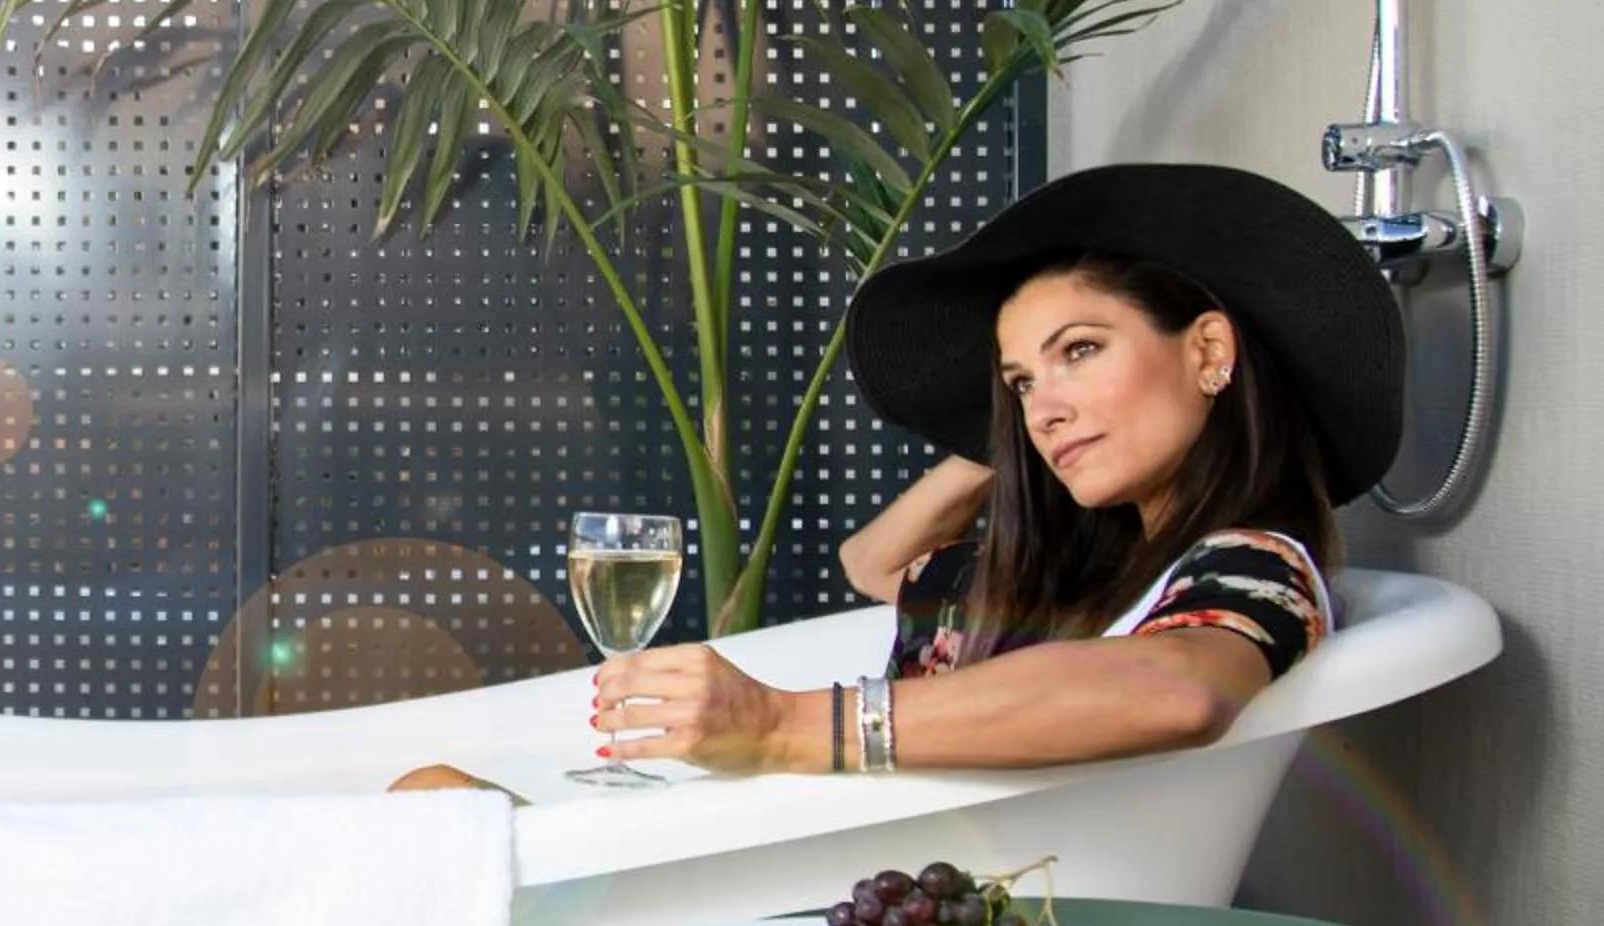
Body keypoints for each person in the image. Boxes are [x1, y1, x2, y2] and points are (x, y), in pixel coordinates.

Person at [392, 163, 1402, 787]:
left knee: (434, 803)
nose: (1042, 402)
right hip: (825, 865)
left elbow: (1180, 693)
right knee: (431, 790)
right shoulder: (1107, 570)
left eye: (1081, 350)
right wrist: (1005, 438)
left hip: (859, 908)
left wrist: (785, 726)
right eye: (1018, 379)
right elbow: (876, 563)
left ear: (1209, 351)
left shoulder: (1250, 562)